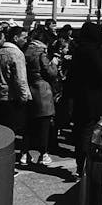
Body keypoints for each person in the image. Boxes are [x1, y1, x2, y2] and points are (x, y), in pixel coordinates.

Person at [68, 22, 102, 178]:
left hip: (79, 97)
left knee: (80, 131)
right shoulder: (93, 51)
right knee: (90, 133)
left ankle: (79, 165)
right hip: (94, 99)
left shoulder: (78, 50)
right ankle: (86, 166)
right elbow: (101, 73)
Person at [0, 25, 32, 168]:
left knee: (2, 131)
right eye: (24, 37)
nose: (26, 40)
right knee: (16, 131)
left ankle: (1, 159)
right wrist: (25, 96)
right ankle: (11, 162)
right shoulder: (16, 54)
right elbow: (20, 78)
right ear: (16, 38)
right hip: (13, 97)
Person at [24, 27, 57, 166]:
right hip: (42, 90)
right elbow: (50, 72)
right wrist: (54, 64)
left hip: (29, 87)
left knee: (29, 125)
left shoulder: (26, 51)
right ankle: (43, 154)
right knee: (44, 125)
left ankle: (24, 154)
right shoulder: (42, 53)